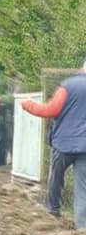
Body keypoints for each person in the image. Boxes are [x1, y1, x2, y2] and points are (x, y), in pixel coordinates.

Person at [22, 62, 86, 224]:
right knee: (83, 188)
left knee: (55, 178)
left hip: (62, 144)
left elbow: (50, 110)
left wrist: (28, 104)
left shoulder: (67, 86)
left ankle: (52, 211)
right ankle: (82, 227)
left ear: (81, 68)